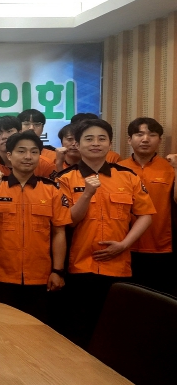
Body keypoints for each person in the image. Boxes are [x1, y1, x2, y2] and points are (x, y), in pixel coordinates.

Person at [56, 119, 155, 347]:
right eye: (89, 139)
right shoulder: (65, 178)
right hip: (79, 265)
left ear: (110, 144)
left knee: (114, 329)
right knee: (78, 328)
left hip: (118, 264)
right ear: (77, 144)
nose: (95, 143)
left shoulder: (128, 176)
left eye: (102, 139)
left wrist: (124, 245)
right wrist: (87, 194)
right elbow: (68, 221)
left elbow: (146, 215)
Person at [0, 131, 71, 322]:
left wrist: (58, 271)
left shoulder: (51, 189)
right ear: (9, 155)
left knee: (37, 330)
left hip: (41, 276)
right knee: (1, 329)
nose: (28, 156)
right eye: (21, 151)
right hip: (1, 275)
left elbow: (59, 232)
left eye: (34, 152)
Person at [117, 118, 177, 293]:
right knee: (125, 296)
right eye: (139, 134)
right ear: (130, 139)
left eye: (152, 135)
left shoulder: (169, 169)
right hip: (124, 245)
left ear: (159, 140)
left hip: (162, 246)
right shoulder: (118, 169)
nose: (145, 139)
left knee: (160, 298)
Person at [0, 116, 55, 195]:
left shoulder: (45, 164)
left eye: (9, 131)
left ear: (20, 133)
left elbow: (54, 195)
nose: (4, 137)